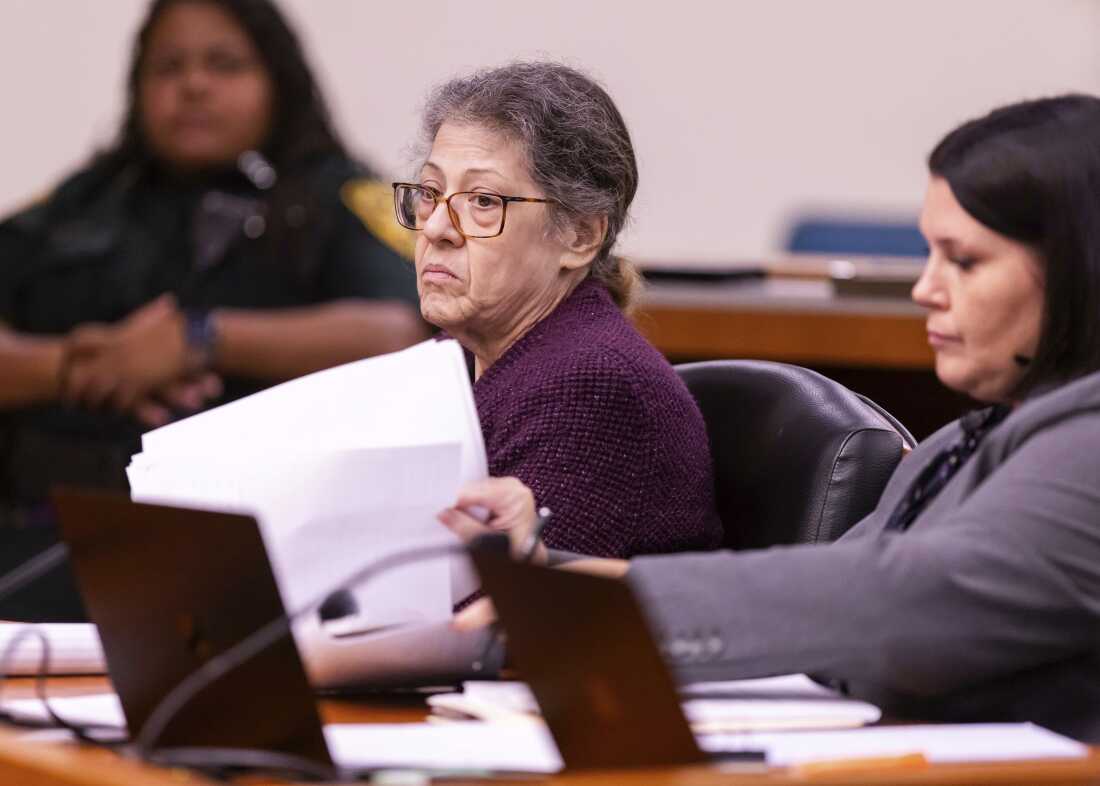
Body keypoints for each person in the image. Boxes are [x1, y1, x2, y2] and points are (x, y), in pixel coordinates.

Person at [441, 95, 1100, 742]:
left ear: (1078, 268)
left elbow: (890, 601)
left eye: (963, 260)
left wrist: (579, 608)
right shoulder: (959, 444)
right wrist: (538, 577)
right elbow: (824, 598)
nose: (924, 288)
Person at [0, 0, 427, 620]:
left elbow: (403, 334)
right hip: (45, 534)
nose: (194, 85)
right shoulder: (81, 202)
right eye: (168, 68)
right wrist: (77, 366)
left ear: (277, 81)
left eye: (225, 65)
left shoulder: (335, 197)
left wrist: (200, 339)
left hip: (255, 558)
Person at [396, 62, 722, 559]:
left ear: (579, 235)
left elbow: (498, 620)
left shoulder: (593, 385)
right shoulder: (448, 361)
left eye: (482, 200)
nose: (437, 227)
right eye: (430, 193)